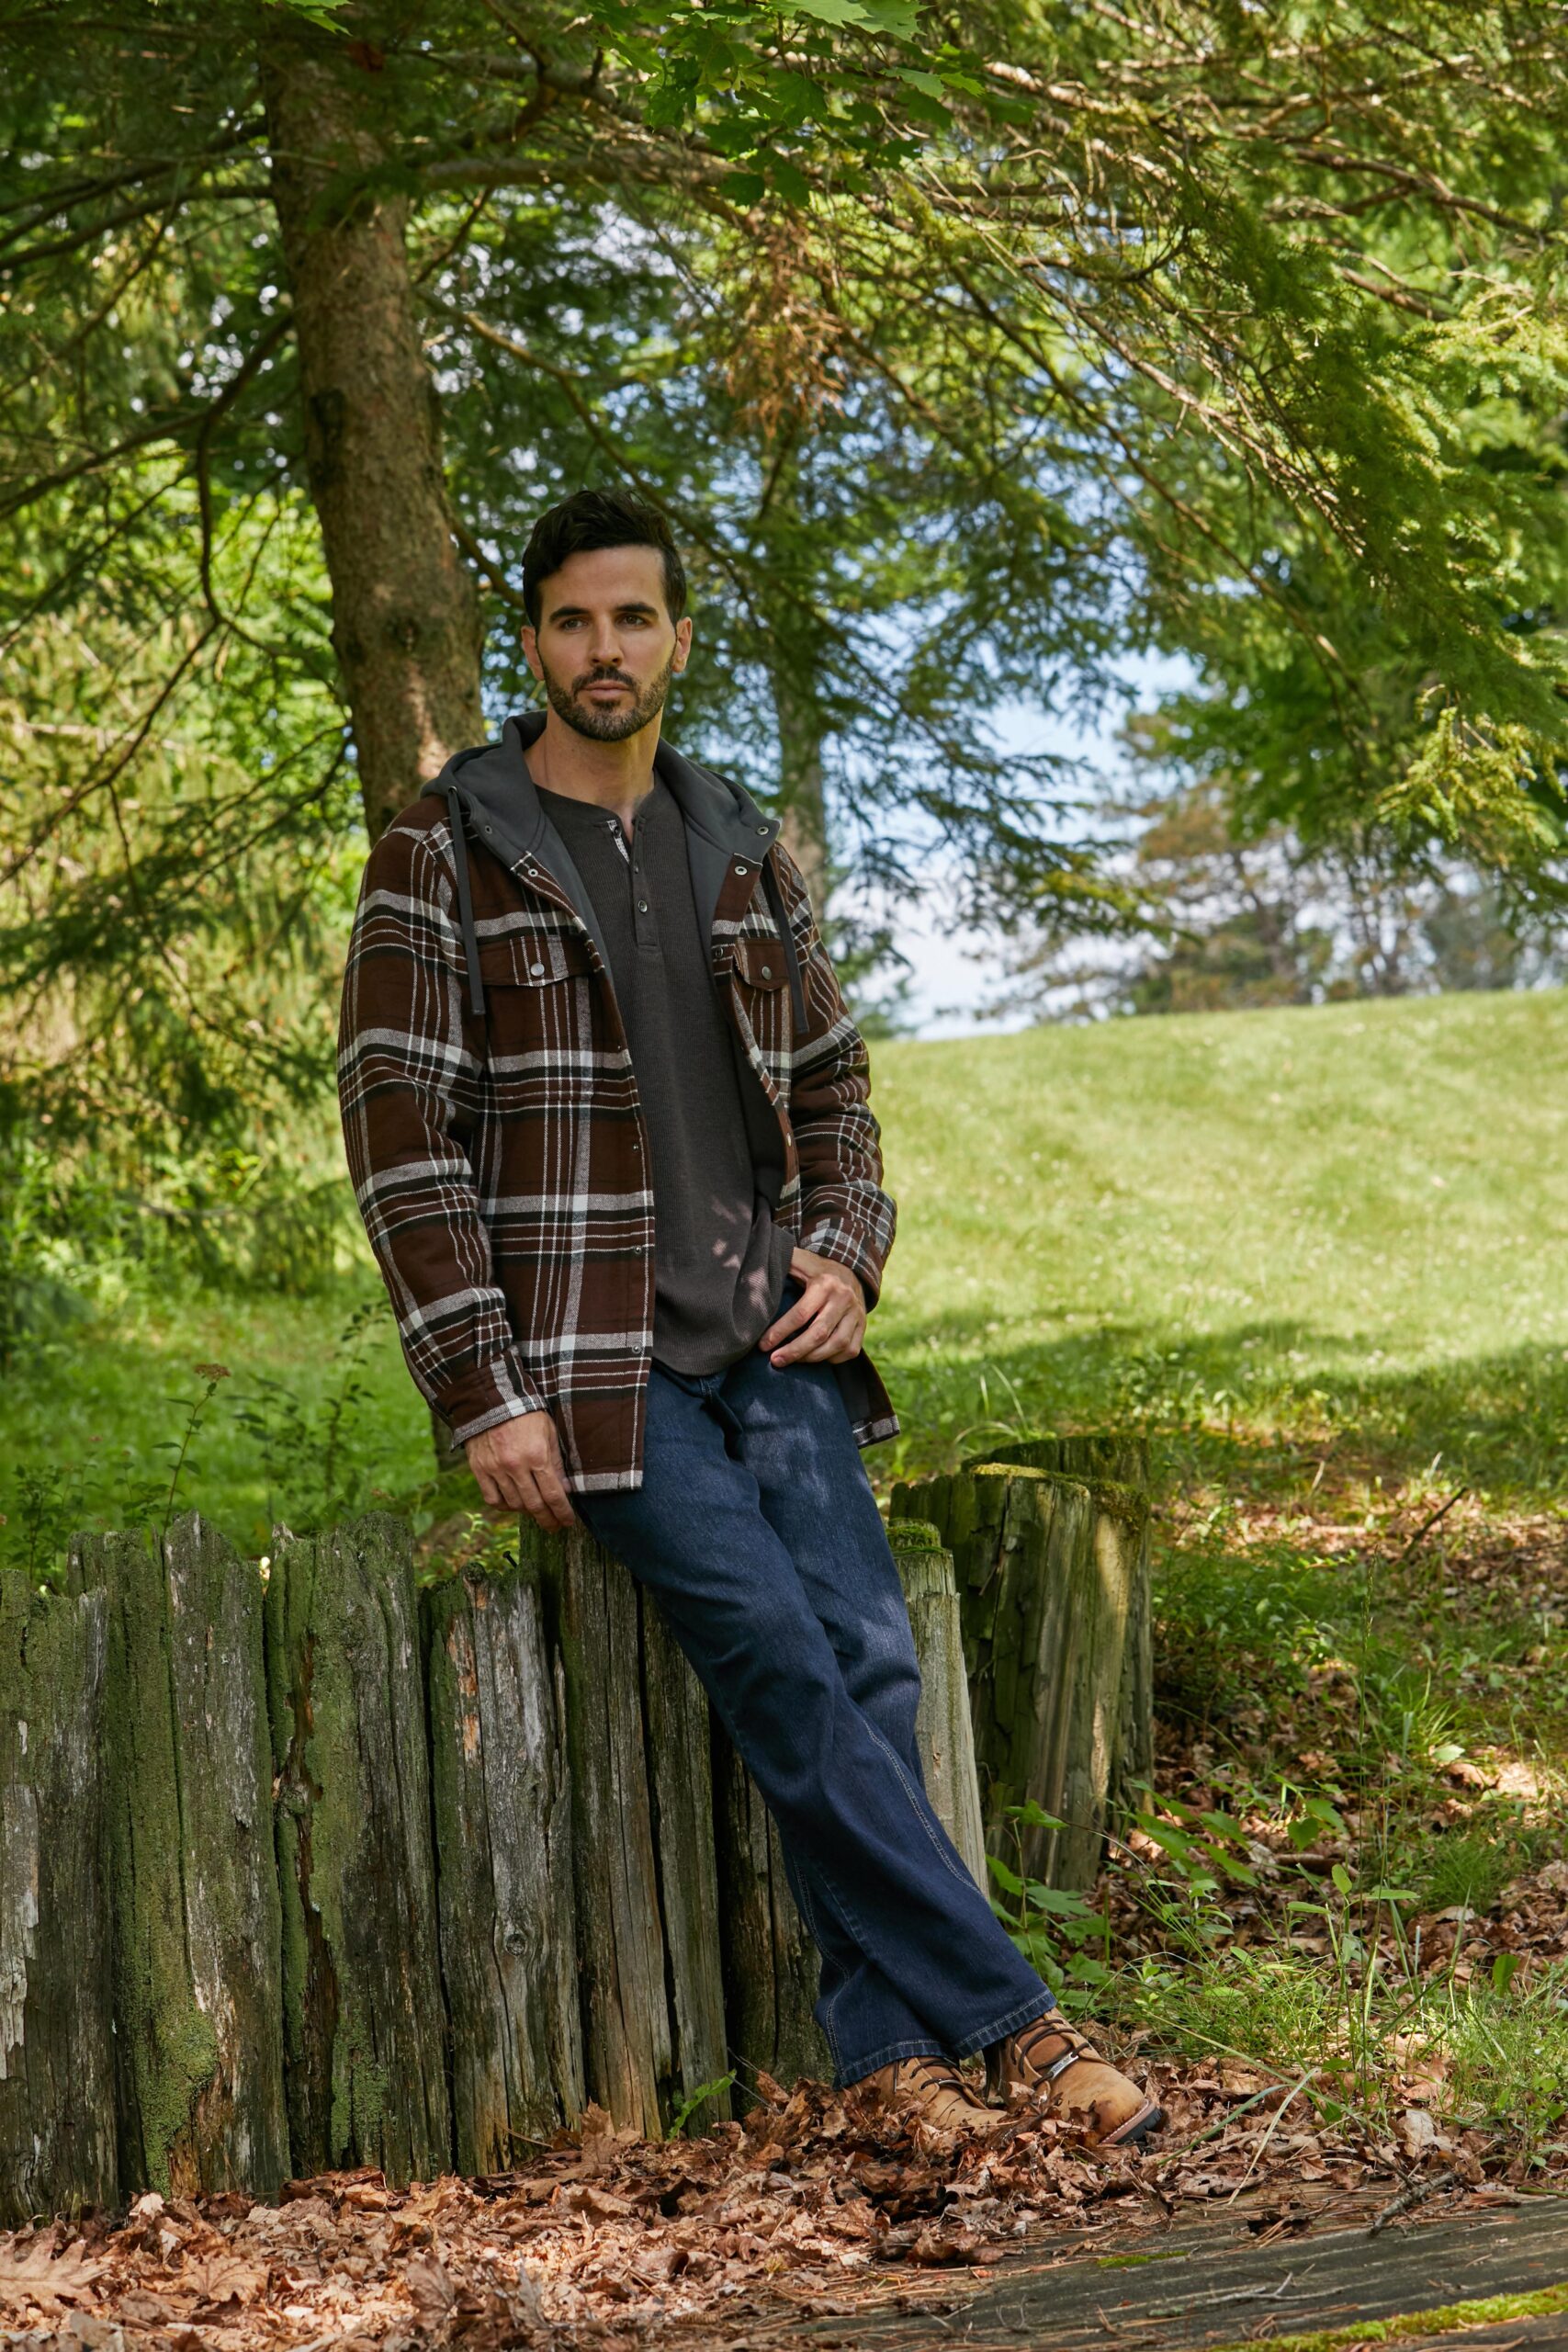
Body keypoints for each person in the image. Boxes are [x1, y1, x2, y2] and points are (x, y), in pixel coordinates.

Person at [336, 485, 1162, 2146]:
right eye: (573, 620)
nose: (605, 648)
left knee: (871, 1663)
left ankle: (890, 2057)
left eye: (633, 618)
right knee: (782, 1659)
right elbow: (399, 1132)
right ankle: (1022, 2028)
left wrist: (846, 1255)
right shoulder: (445, 847)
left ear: (679, 640)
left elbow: (835, 1087)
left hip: (771, 1340)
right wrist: (483, 1390)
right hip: (595, 1368)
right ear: (532, 644)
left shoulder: (737, 843)